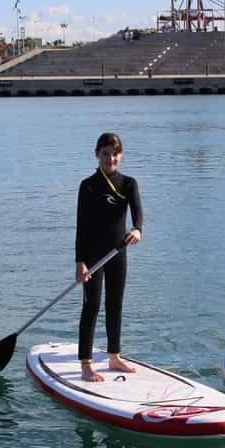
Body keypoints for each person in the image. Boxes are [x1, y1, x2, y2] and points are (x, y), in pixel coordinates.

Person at [75, 133, 143, 381]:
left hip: (118, 253)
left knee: (115, 305)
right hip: (93, 257)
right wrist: (80, 262)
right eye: (105, 154)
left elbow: (138, 215)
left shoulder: (129, 184)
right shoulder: (88, 185)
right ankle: (85, 363)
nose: (110, 158)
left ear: (120, 155)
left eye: (115, 154)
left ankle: (114, 357)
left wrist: (137, 230)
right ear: (97, 155)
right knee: (91, 306)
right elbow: (81, 226)